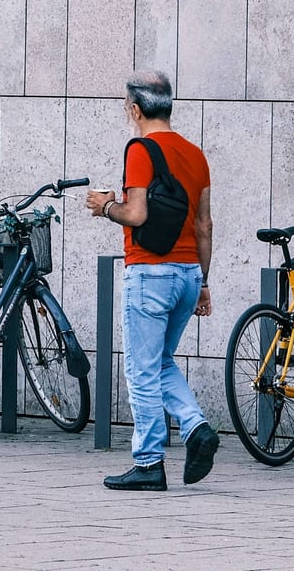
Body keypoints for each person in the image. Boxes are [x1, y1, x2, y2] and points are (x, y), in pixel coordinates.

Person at [87, 71, 217, 491]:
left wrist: (107, 206)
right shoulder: (195, 155)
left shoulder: (141, 149)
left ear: (135, 109)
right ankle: (196, 427)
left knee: (141, 371)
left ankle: (148, 464)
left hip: (149, 272)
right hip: (187, 274)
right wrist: (203, 282)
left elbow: (137, 214)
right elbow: (204, 225)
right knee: (160, 362)